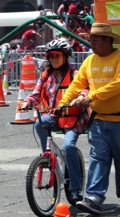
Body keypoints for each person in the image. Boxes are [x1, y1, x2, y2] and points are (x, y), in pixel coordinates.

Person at [58, 23, 120, 215]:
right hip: (99, 120)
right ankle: (94, 198)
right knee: (98, 158)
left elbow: (118, 85)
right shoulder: (89, 61)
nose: (91, 43)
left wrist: (91, 97)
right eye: (90, 39)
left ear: (107, 40)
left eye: (95, 40)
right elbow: (77, 84)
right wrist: (64, 102)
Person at [21, 39, 89, 203]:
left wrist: (81, 97)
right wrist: (27, 102)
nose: (54, 59)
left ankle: (75, 188)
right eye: (51, 56)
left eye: (57, 56)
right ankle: (47, 155)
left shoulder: (74, 73)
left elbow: (85, 89)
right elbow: (35, 94)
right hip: (55, 116)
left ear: (66, 57)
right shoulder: (45, 75)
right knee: (39, 123)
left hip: (75, 118)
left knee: (68, 146)